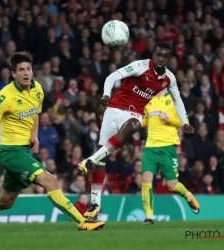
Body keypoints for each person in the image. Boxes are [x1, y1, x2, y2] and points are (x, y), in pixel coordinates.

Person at [0, 51, 105, 233]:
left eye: (28, 69)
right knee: (50, 181)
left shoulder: (37, 89)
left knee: (5, 201)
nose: (26, 73)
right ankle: (82, 223)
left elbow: (34, 113)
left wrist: (34, 135)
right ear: (13, 74)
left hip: (23, 151)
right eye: (21, 70)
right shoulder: (4, 98)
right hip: (11, 153)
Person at [78, 42, 195, 219]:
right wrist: (106, 94)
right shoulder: (140, 66)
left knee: (133, 126)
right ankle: (95, 205)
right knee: (103, 160)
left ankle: (90, 160)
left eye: (165, 56)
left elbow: (177, 99)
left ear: (169, 58)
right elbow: (112, 76)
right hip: (114, 109)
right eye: (158, 55)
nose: (161, 58)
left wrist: (184, 121)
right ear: (153, 55)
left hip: (135, 114)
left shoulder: (169, 78)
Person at [141, 88, 200, 224]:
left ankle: (189, 197)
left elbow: (185, 122)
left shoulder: (174, 100)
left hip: (168, 147)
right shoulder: (148, 99)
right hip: (150, 146)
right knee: (146, 178)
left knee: (172, 185)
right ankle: (149, 216)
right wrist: (135, 121)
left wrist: (168, 117)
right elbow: (145, 120)